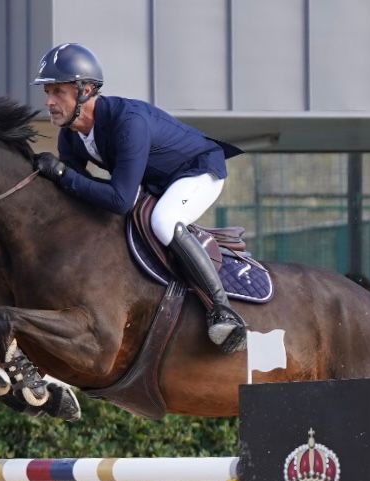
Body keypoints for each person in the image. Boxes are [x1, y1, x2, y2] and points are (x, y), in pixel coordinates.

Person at [32, 42, 248, 354]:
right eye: (47, 92)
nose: (49, 102)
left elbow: (120, 199)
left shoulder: (127, 122)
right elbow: (77, 194)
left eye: (57, 92)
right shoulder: (70, 135)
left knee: (164, 220)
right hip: (158, 182)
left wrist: (63, 175)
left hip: (198, 171)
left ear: (86, 90)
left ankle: (222, 309)